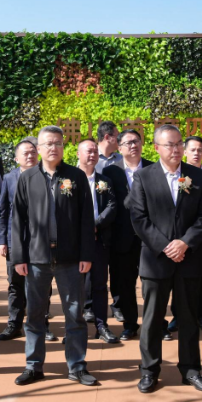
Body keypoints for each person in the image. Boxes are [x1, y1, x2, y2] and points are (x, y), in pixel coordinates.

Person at [128, 125, 202, 394]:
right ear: (156, 148)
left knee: (189, 317)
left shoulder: (197, 176)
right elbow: (138, 218)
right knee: (153, 319)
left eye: (179, 144)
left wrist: (185, 242)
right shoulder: (144, 177)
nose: (176, 149)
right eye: (170, 145)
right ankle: (149, 371)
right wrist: (166, 246)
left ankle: (191, 370)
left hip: (189, 258)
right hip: (156, 259)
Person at [11, 125, 97, 386]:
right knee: (35, 315)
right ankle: (33, 366)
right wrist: (19, 257)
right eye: (48, 143)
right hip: (36, 259)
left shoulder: (76, 176)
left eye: (58, 143)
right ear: (39, 148)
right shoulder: (27, 178)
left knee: (75, 314)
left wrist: (86, 254)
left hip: (70, 258)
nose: (54, 147)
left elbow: (86, 219)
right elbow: (18, 221)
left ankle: (77, 366)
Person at [101, 129, 153, 340]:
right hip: (121, 238)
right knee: (125, 284)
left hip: (150, 238)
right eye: (128, 143)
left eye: (136, 141)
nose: (133, 145)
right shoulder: (110, 172)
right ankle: (130, 324)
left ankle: (156, 323)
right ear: (119, 147)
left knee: (152, 284)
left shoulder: (153, 168)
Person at [173, 135, 202, 334]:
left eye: (200, 149)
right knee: (177, 278)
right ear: (185, 151)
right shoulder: (178, 174)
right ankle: (177, 316)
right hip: (180, 236)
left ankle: (201, 315)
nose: (196, 153)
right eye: (192, 150)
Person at [0, 139, 38, 341]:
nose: (30, 156)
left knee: (40, 283)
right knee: (15, 284)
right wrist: (2, 240)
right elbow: (2, 211)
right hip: (15, 239)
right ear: (16, 158)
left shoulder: (45, 175)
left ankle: (41, 324)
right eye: (25, 153)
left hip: (39, 240)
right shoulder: (9, 178)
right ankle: (14, 324)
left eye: (33, 152)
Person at [77, 138, 119, 343]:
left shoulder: (104, 180)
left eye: (95, 151)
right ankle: (74, 329)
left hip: (98, 239)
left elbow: (112, 205)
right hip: (74, 242)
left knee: (100, 284)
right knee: (74, 286)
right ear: (78, 154)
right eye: (88, 151)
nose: (92, 154)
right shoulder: (67, 180)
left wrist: (95, 224)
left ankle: (102, 326)